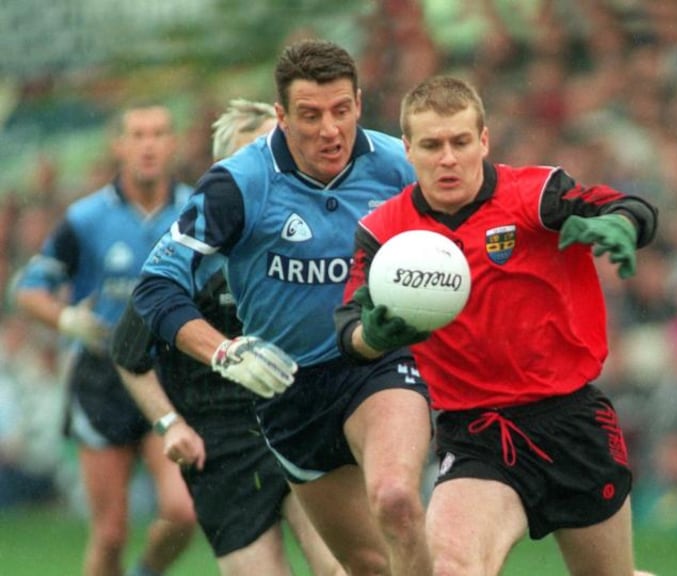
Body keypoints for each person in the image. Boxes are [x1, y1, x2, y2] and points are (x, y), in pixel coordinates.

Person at [334, 75, 659, 576]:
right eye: (432, 145)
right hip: (477, 434)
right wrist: (372, 337)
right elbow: (349, 329)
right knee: (452, 568)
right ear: (407, 149)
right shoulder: (384, 235)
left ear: (483, 140)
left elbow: (627, 206)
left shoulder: (536, 194)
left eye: (460, 142)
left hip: (571, 423)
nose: (448, 158)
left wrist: (620, 225)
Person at [131, 39, 431, 576]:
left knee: (396, 501)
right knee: (366, 564)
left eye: (341, 111)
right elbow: (156, 286)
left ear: (359, 102)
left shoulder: (399, 166)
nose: (330, 130)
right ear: (281, 116)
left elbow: (480, 215)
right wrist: (224, 351)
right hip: (287, 391)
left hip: (375, 365)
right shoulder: (239, 184)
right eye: (310, 115)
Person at [112, 99, 345, 576]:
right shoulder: (186, 256)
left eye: (273, 155)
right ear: (223, 173)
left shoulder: (313, 241)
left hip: (302, 422)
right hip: (223, 447)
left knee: (344, 568)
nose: (265, 173)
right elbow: (128, 354)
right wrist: (169, 426)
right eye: (251, 158)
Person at [14, 103, 196, 576]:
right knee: (111, 532)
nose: (149, 144)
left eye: (158, 133)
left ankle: (145, 572)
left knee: (182, 513)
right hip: (102, 377)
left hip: (166, 376)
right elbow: (28, 290)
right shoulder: (87, 219)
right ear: (119, 145)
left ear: (173, 142)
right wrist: (68, 320)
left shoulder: (197, 212)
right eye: (137, 134)